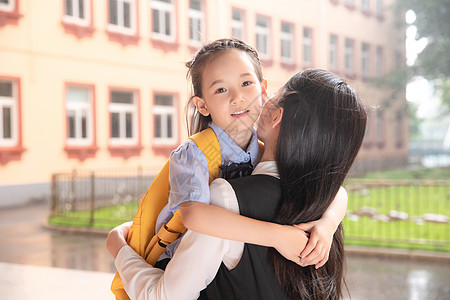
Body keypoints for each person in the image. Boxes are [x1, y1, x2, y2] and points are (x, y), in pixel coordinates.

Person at [107, 68, 367, 299]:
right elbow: (339, 192)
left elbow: (163, 296)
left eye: (272, 93)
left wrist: (118, 246)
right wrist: (329, 222)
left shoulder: (226, 200)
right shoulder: (324, 203)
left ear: (277, 115)